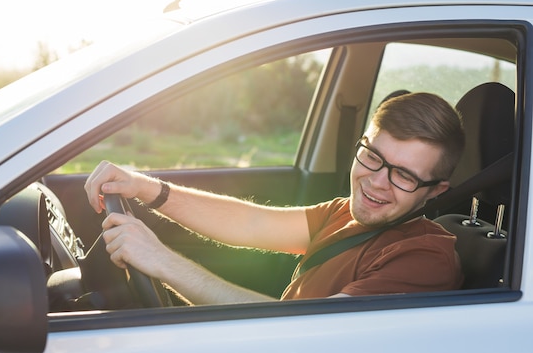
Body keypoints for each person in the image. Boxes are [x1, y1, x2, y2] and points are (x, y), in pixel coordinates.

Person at [84, 92, 465, 305]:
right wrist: (146, 188)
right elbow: (252, 223)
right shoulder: (349, 214)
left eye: (403, 176)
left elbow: (306, 330)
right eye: (372, 157)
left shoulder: (426, 259)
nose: (377, 182)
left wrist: (162, 261)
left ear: (435, 191)